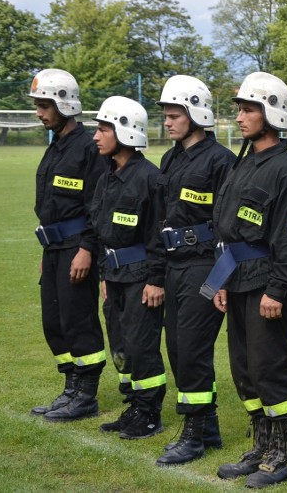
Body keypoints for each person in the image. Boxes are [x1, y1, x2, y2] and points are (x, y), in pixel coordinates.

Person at [207, 71, 287, 489]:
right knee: (245, 369)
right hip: (238, 280)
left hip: (268, 284)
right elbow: (228, 231)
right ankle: (262, 444)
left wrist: (279, 290)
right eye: (240, 109)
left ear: (272, 114)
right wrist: (221, 283)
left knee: (273, 368)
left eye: (249, 109)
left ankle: (284, 452)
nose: (241, 117)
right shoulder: (242, 163)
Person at [151, 75, 235, 466]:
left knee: (192, 348)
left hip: (205, 266)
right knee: (176, 346)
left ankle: (194, 433)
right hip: (173, 266)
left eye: (174, 115)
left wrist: (222, 277)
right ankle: (210, 426)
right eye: (165, 116)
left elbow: (229, 225)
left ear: (195, 114)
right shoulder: (170, 159)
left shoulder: (221, 161)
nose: (167, 122)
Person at [29, 68, 107, 422]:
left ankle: (86, 395)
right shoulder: (55, 147)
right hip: (55, 248)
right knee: (54, 322)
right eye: (38, 105)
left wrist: (87, 249)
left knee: (78, 321)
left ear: (64, 104)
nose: (39, 112)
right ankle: (70, 388)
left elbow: (98, 204)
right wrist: (49, 251)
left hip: (78, 247)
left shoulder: (89, 148)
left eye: (45, 105)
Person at [90, 96, 166, 439]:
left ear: (124, 132)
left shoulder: (150, 178)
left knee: (141, 344)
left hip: (140, 278)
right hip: (115, 276)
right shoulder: (107, 176)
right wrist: (105, 273)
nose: (96, 136)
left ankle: (150, 413)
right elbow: (101, 228)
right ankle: (134, 406)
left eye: (103, 128)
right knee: (120, 343)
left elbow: (158, 233)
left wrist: (155, 279)